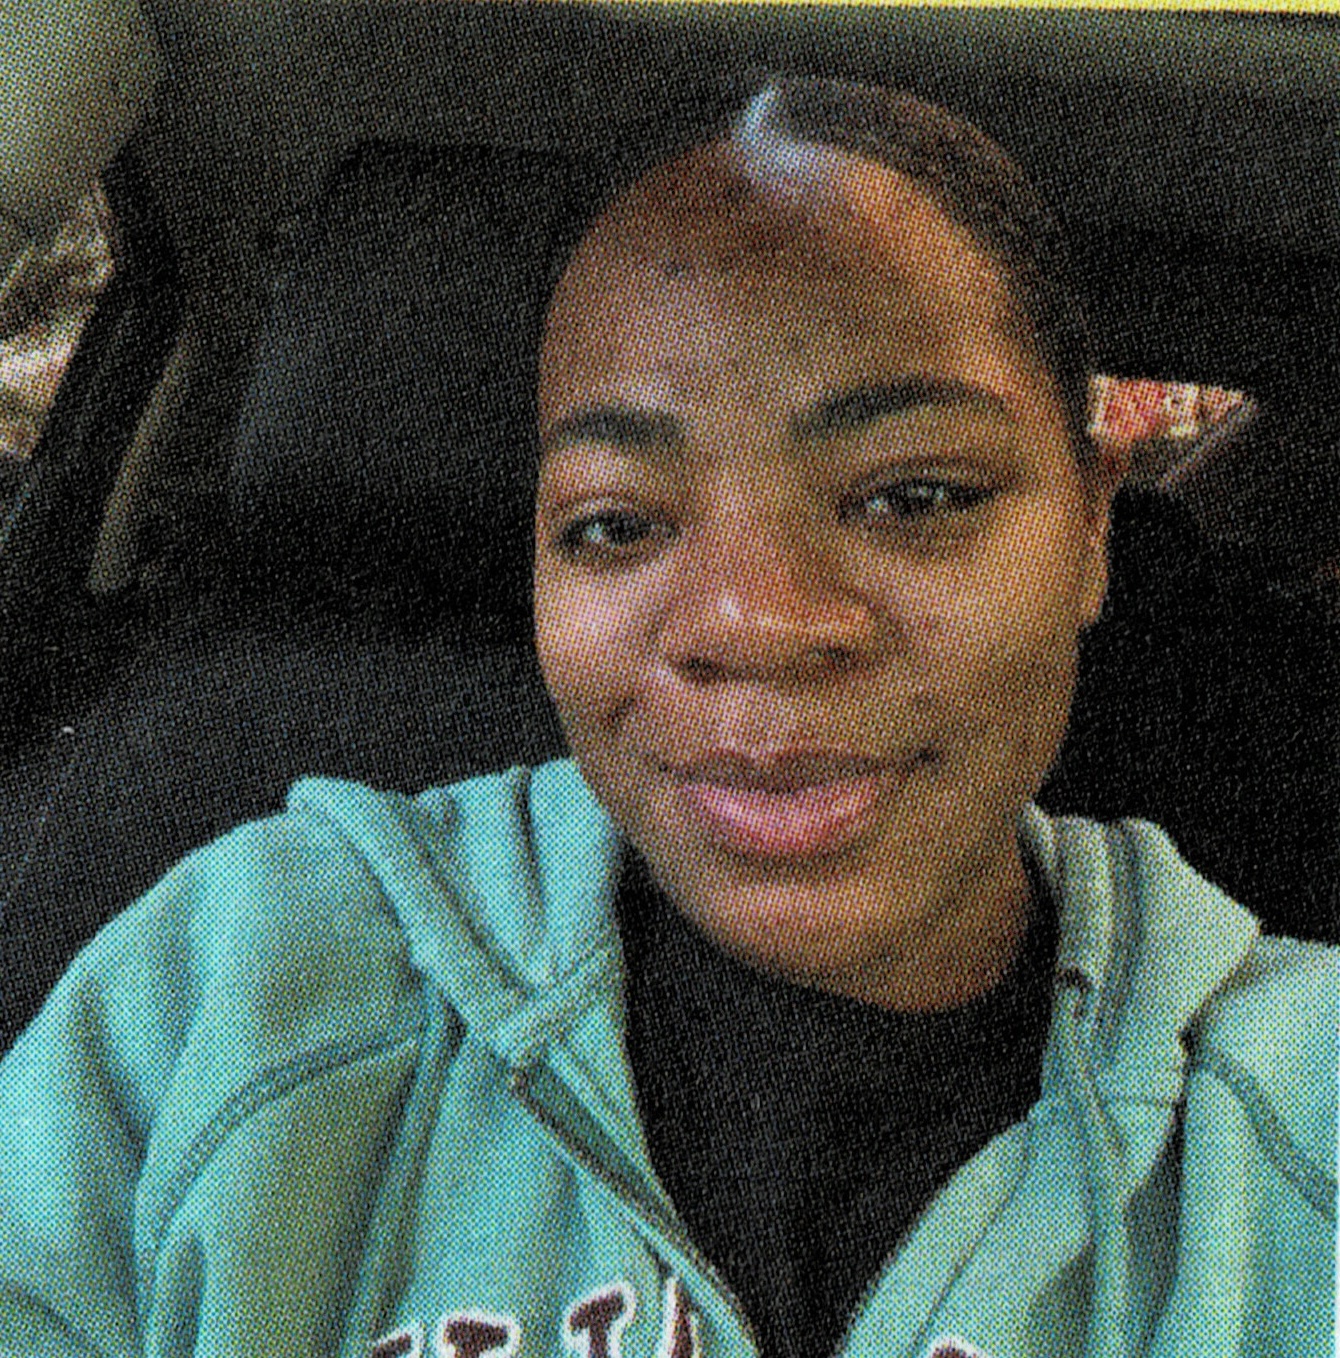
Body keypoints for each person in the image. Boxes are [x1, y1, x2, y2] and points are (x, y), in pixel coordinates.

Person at [0, 77, 1333, 1358]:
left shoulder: (1300, 1112)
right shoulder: (241, 985)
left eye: (912, 495)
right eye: (617, 523)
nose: (752, 620)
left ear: (1093, 523)